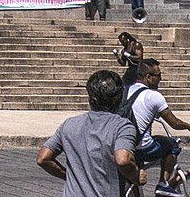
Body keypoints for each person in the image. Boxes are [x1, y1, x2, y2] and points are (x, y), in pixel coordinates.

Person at [37, 68, 140, 197]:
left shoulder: (69, 124)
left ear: (90, 97)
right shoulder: (122, 127)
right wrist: (136, 176)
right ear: (119, 98)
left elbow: (43, 158)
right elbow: (122, 160)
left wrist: (68, 176)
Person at [123, 60, 190, 193]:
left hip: (124, 146)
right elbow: (174, 123)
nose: (160, 79)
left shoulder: (126, 91)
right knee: (172, 145)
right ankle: (163, 184)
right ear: (148, 77)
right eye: (158, 76)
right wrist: (188, 126)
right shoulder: (153, 96)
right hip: (143, 148)